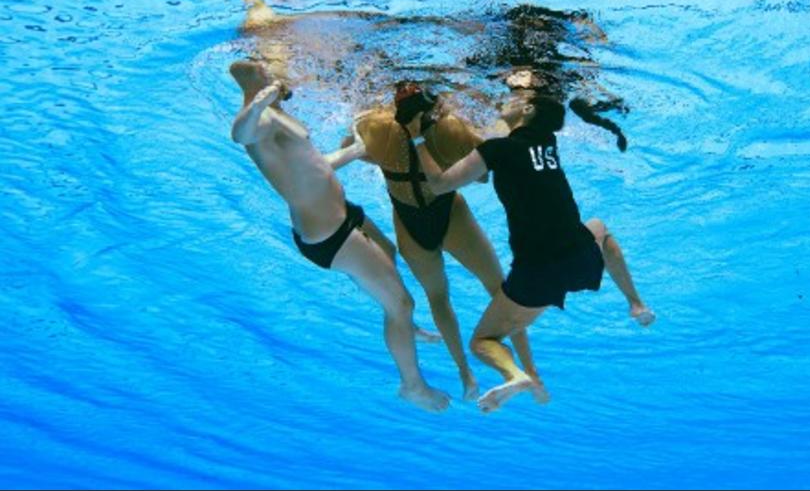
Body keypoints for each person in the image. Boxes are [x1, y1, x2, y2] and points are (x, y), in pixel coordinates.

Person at [406, 91, 654, 412]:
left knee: (482, 342)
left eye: (515, 96)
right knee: (599, 229)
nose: (505, 99)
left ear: (527, 108)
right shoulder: (548, 145)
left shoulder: (498, 150)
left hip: (536, 275)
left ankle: (515, 375)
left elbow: (440, 184)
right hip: (579, 258)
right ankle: (636, 304)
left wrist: (417, 139)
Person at [228, 59, 449, 412]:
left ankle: (405, 327)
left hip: (342, 214)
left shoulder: (275, 114)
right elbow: (240, 135)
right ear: (256, 79)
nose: (276, 74)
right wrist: (258, 103)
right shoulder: (260, 119)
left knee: (388, 250)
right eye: (267, 72)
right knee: (401, 304)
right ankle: (412, 386)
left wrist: (355, 150)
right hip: (329, 235)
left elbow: (314, 165)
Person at [351, 81, 545, 401]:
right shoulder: (449, 128)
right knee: (499, 288)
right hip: (450, 213)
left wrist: (390, 162)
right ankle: (529, 370)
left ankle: (465, 374)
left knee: (438, 298)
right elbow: (482, 175)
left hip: (409, 222)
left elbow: (353, 148)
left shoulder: (376, 126)